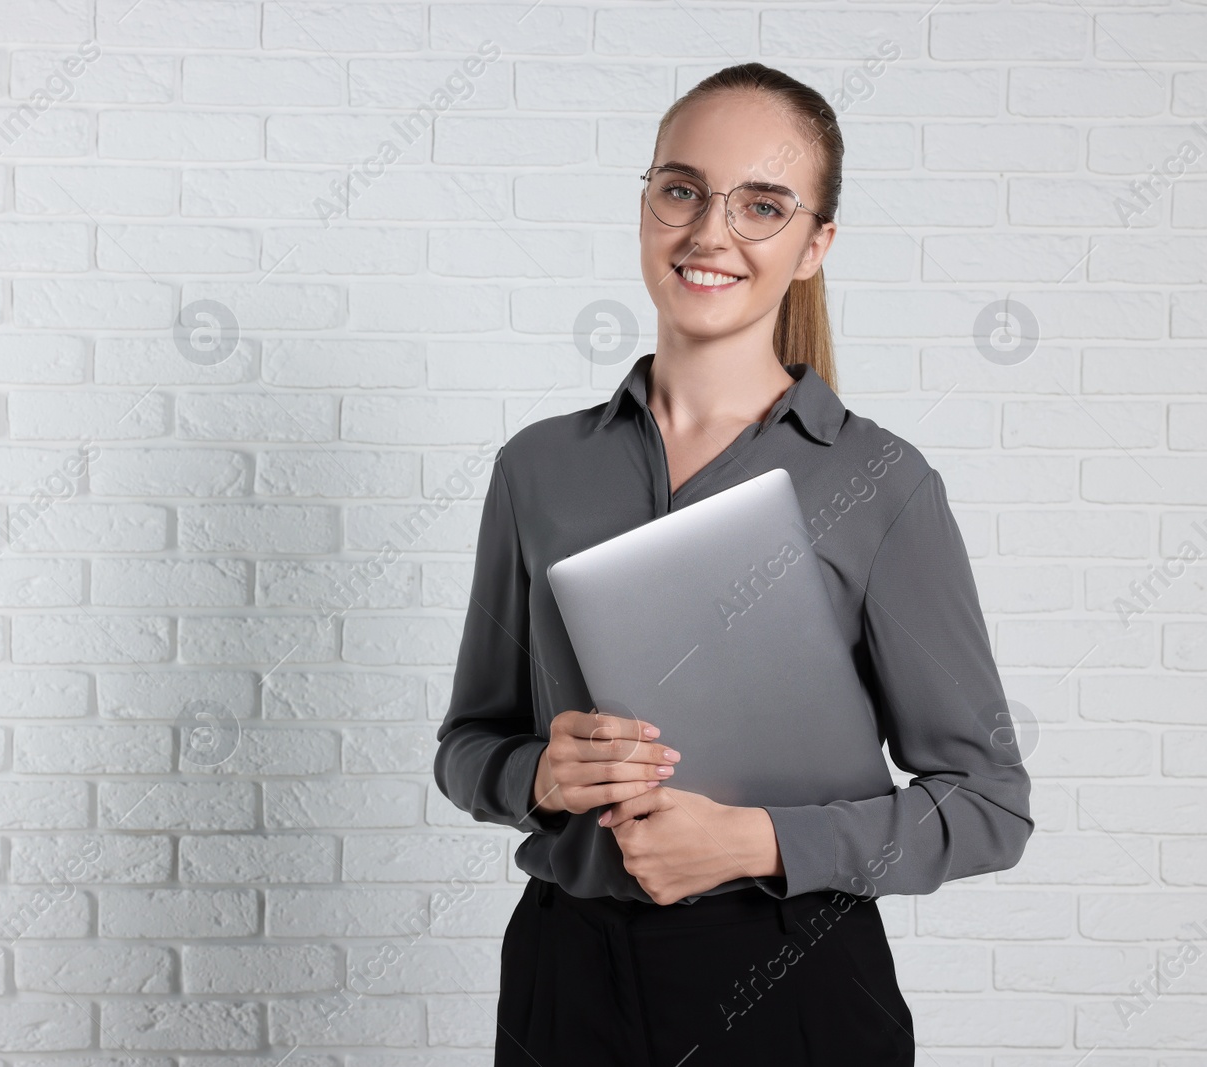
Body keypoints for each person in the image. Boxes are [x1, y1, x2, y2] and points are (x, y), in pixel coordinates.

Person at [433, 62, 1034, 1065]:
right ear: (644, 207)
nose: (709, 232)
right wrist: (538, 770)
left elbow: (987, 804)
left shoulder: (879, 481)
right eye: (681, 189)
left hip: (792, 975)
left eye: (761, 205)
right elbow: (466, 742)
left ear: (814, 245)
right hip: (563, 971)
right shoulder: (537, 466)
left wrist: (759, 842)